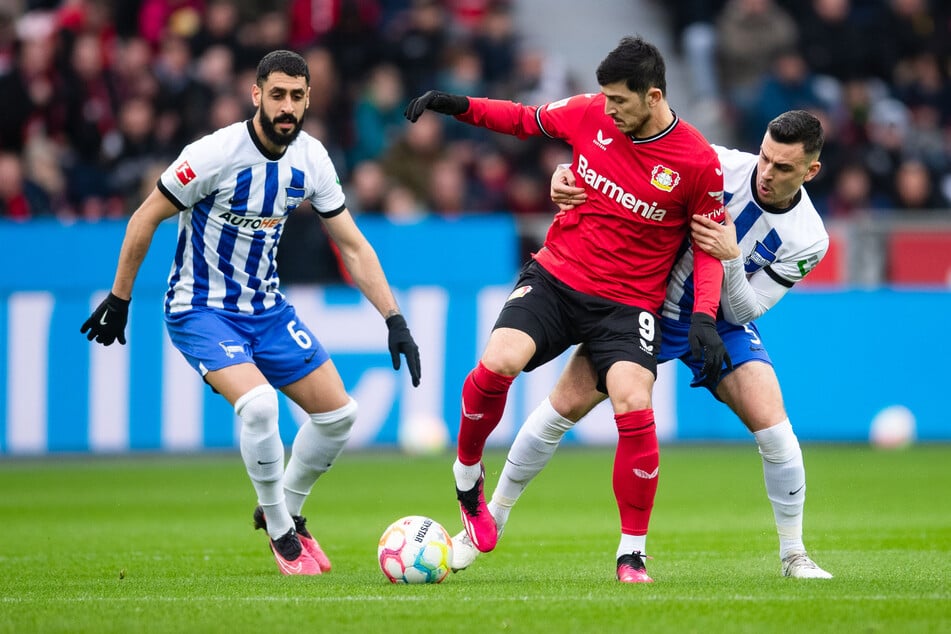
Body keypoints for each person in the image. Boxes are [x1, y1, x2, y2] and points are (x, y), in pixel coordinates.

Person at [452, 110, 834, 580]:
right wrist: (568, 179)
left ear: (810, 171)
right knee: (560, 410)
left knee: (776, 431)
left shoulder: (810, 239)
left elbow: (746, 310)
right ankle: (488, 520)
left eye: (783, 168)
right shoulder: (715, 164)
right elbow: (625, 171)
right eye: (766, 158)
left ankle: (794, 556)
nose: (767, 173)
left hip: (721, 323)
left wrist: (730, 259)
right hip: (643, 305)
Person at [80, 50, 421, 576]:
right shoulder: (214, 154)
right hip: (200, 309)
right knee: (260, 407)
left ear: (309, 100)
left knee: (339, 416)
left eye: (298, 96)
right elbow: (145, 216)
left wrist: (394, 318)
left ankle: (282, 509)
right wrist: (120, 299)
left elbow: (352, 245)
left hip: (266, 309)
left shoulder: (312, 160)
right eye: (278, 94)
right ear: (256, 94)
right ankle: (283, 535)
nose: (288, 107)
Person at [403, 35, 731, 583]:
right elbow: (522, 119)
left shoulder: (698, 162)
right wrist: (455, 105)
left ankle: (632, 553)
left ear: (653, 96)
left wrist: (703, 315)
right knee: (499, 361)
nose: (607, 109)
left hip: (628, 306)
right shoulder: (587, 113)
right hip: (559, 275)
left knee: (633, 400)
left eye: (619, 101)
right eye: (603, 98)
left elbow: (711, 247)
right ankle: (467, 478)